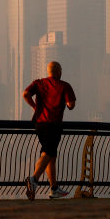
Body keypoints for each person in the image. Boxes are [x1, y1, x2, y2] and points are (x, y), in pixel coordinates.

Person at [23, 60, 76, 200]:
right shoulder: (64, 85)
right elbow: (71, 105)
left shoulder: (39, 83)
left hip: (39, 124)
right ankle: (33, 179)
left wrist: (35, 107)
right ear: (58, 71)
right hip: (54, 124)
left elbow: (25, 94)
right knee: (48, 153)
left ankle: (54, 188)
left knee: (50, 154)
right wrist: (68, 103)